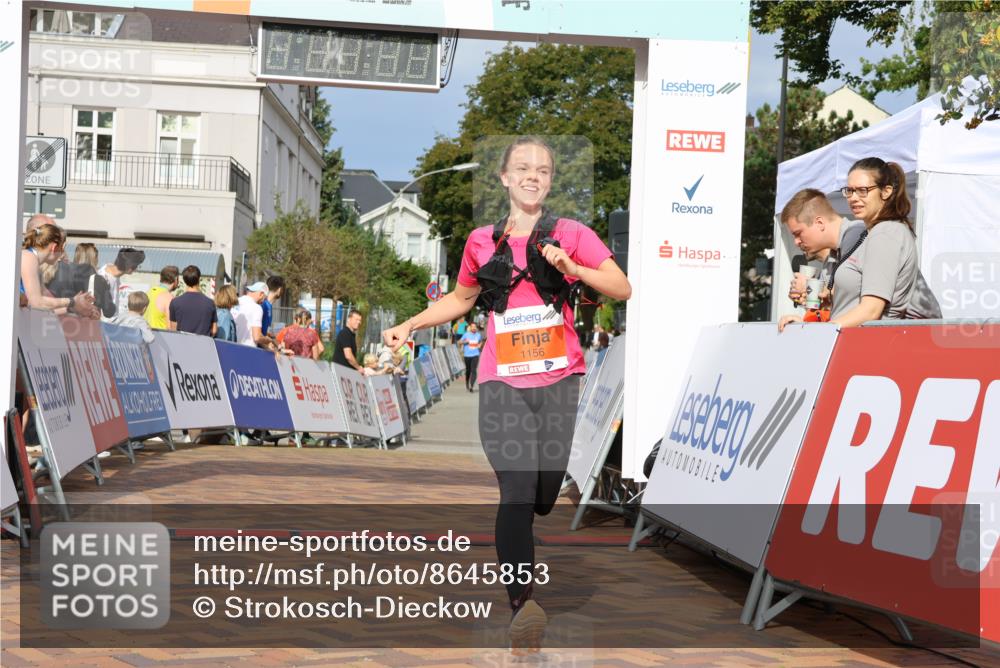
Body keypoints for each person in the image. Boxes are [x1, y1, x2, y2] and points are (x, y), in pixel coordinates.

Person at [381, 136, 631, 653]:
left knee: (544, 495)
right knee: (515, 493)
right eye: (522, 168)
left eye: (542, 169)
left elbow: (621, 286)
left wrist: (573, 269)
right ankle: (524, 604)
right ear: (504, 177)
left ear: (551, 180)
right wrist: (410, 322)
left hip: (561, 380)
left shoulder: (571, 233)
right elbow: (460, 299)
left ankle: (537, 516)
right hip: (501, 382)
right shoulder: (481, 241)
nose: (532, 176)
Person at [778, 181, 939, 330]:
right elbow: (848, 307)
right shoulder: (836, 254)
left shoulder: (860, 236)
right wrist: (813, 313)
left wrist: (821, 320)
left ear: (819, 223)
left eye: (798, 234)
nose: (797, 242)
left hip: (915, 335)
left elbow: (868, 305)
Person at [20, 223, 96, 317]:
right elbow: (36, 302)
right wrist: (72, 301)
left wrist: (73, 307)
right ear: (54, 247)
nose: (62, 254)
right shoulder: (28, 258)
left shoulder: (32, 261)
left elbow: (45, 307)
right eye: (62, 249)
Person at [169, 265, 217, 336]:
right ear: (199, 279)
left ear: (185, 280)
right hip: (203, 344)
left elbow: (173, 329)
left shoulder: (175, 302)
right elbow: (214, 330)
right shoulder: (210, 303)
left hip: (183, 344)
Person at [98, 247, 145, 319]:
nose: (137, 269)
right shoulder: (103, 279)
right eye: (137, 266)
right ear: (130, 267)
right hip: (103, 325)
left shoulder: (112, 271)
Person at [233, 281, 269, 347]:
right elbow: (257, 337)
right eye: (264, 298)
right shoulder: (256, 308)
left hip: (231, 346)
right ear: (261, 294)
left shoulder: (235, 302)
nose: (263, 301)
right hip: (248, 349)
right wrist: (268, 340)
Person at [145, 265, 179, 330]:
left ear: (161, 277)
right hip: (161, 337)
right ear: (176, 280)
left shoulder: (148, 292)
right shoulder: (169, 298)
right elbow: (171, 327)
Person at [459, 321, 482, 392]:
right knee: (468, 370)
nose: (474, 328)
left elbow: (480, 341)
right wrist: (465, 342)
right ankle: (467, 382)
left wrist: (480, 345)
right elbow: (459, 342)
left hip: (475, 355)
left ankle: (471, 386)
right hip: (467, 355)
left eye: (475, 327)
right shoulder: (466, 335)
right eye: (472, 327)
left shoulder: (478, 335)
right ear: (470, 327)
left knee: (474, 370)